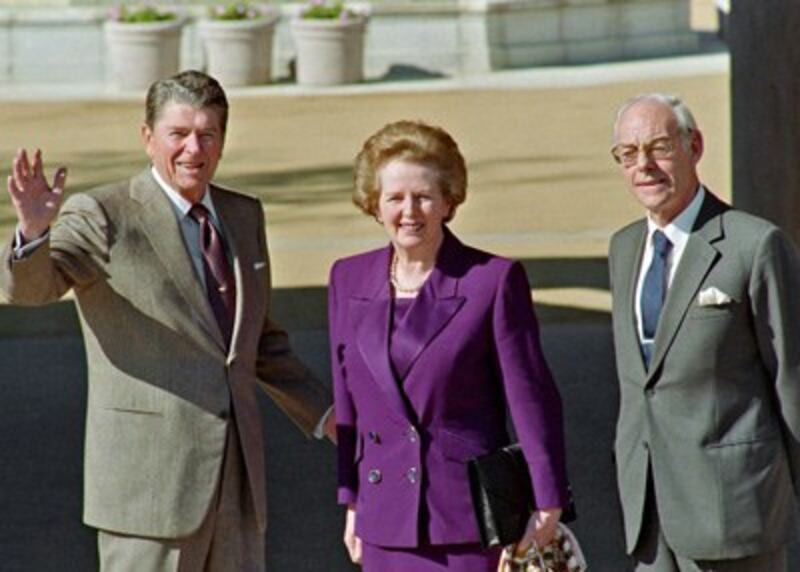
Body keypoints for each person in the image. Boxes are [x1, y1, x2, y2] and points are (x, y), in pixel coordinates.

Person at [0, 70, 332, 571]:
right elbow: (33, 289)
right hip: (148, 488)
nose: (193, 149)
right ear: (148, 137)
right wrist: (32, 233)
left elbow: (255, 342)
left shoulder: (244, 215)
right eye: (178, 134)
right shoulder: (103, 214)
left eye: (207, 134)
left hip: (238, 483)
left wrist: (326, 415)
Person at [327, 120, 570, 571]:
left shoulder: (492, 281)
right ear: (375, 206)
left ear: (448, 201)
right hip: (385, 521)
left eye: (423, 196)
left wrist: (548, 499)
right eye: (395, 198)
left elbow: (532, 399)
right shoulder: (347, 278)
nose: (409, 211)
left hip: (466, 519)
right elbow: (349, 408)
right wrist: (352, 501)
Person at [608, 93, 800, 571]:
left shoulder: (753, 245)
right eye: (628, 154)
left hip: (732, 508)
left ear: (694, 146)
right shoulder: (625, 248)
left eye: (659, 147)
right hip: (650, 513)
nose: (644, 166)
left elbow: (792, 378)